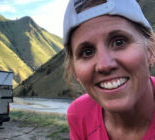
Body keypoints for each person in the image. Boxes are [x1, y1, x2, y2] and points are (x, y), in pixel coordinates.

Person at [63, 0, 155, 139]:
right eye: (87, 52)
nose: (104, 65)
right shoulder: (79, 114)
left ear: (150, 50)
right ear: (75, 71)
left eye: (119, 42)